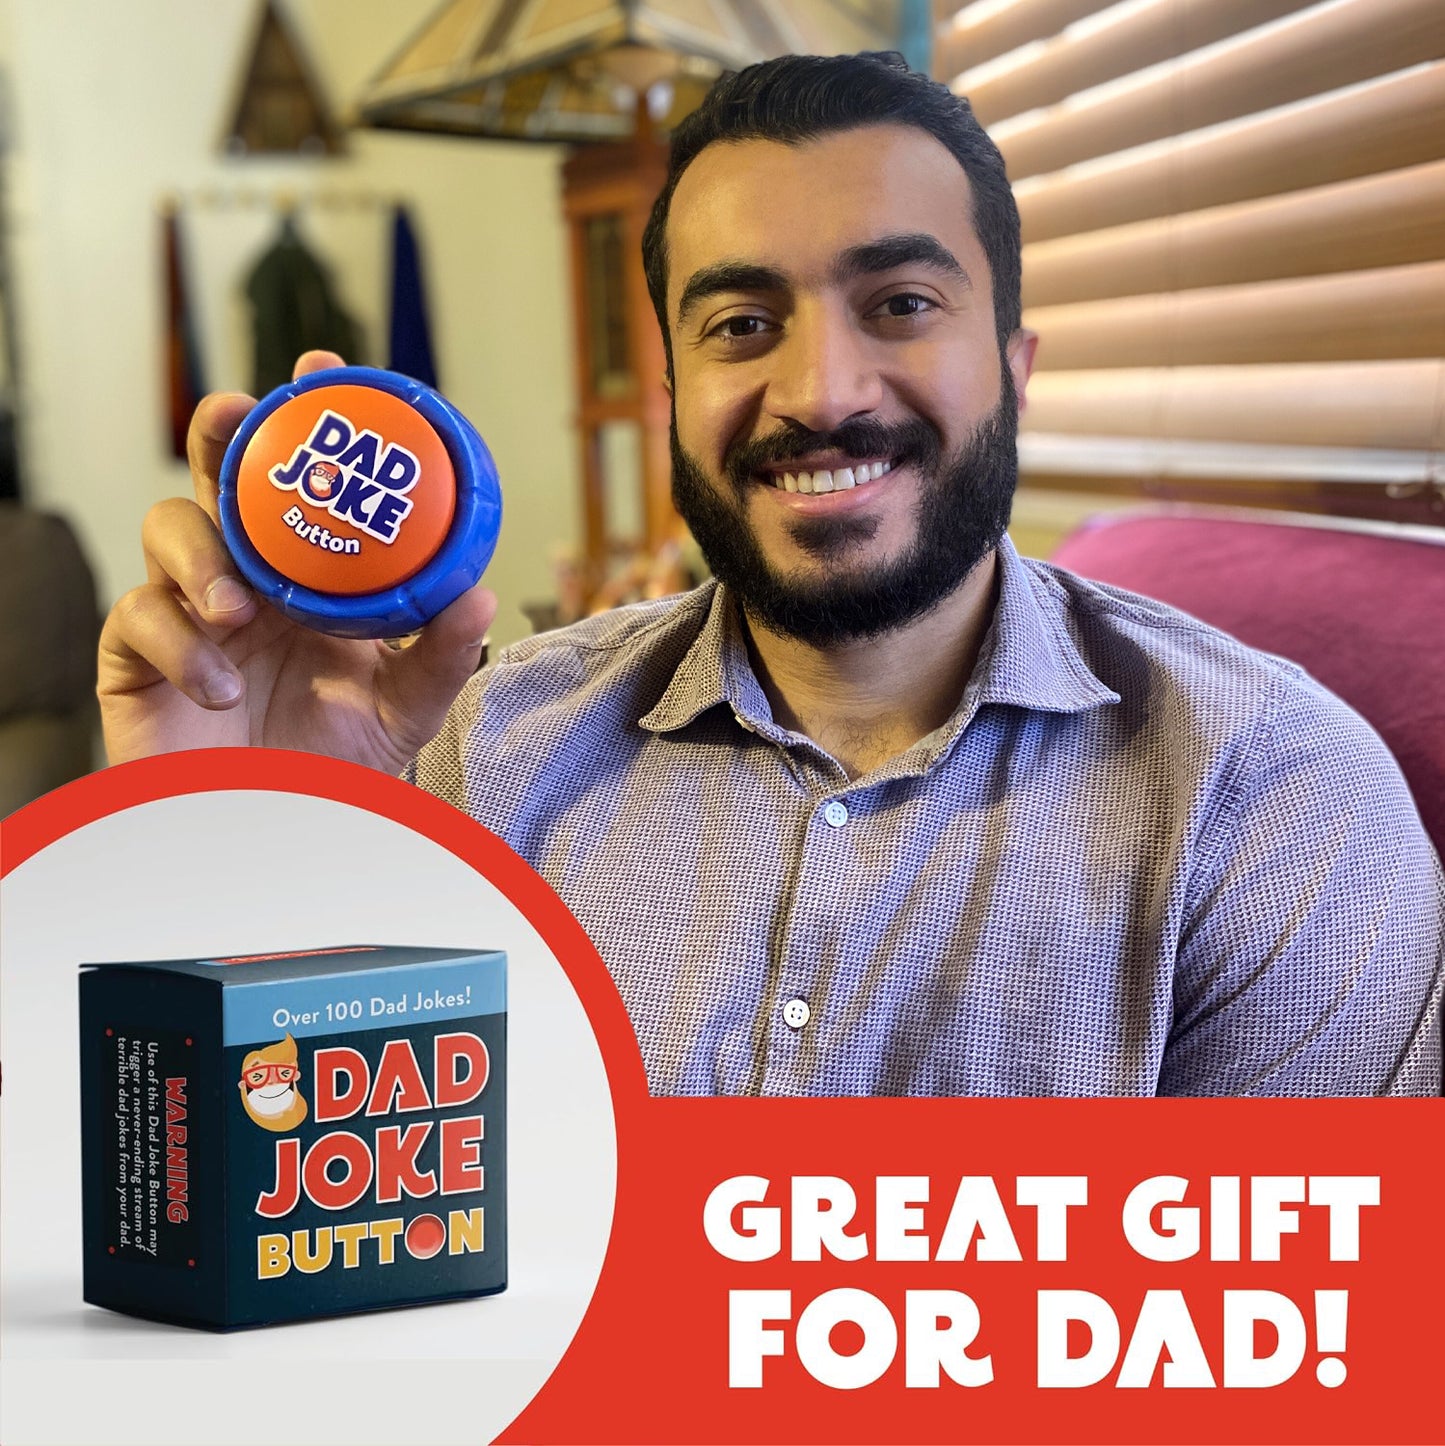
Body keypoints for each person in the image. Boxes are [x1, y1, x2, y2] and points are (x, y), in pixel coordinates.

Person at [99, 52, 1443, 1098]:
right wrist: (228, 838)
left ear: (1016, 368)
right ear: (675, 391)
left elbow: (1297, 1341)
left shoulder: (1274, 803)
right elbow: (283, 1256)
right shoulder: (484, 754)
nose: (818, 392)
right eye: (743, 324)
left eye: (901, 304)